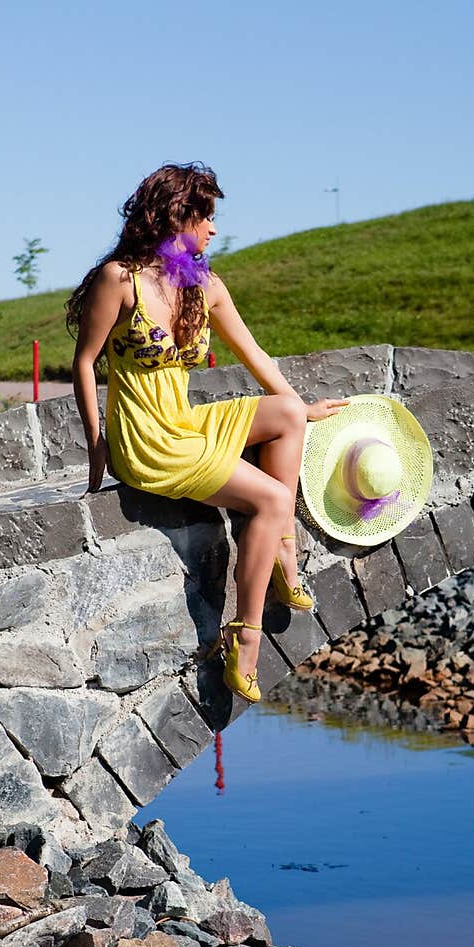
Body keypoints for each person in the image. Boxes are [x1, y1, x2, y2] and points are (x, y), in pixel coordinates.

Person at [66, 162, 348, 703]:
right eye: (207, 216)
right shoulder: (119, 281)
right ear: (178, 214)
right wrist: (96, 445)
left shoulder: (203, 286)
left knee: (286, 414)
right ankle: (244, 634)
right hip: (148, 441)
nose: (214, 229)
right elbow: (84, 362)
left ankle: (282, 555)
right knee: (269, 498)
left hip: (185, 423)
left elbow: (254, 352)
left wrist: (304, 406)